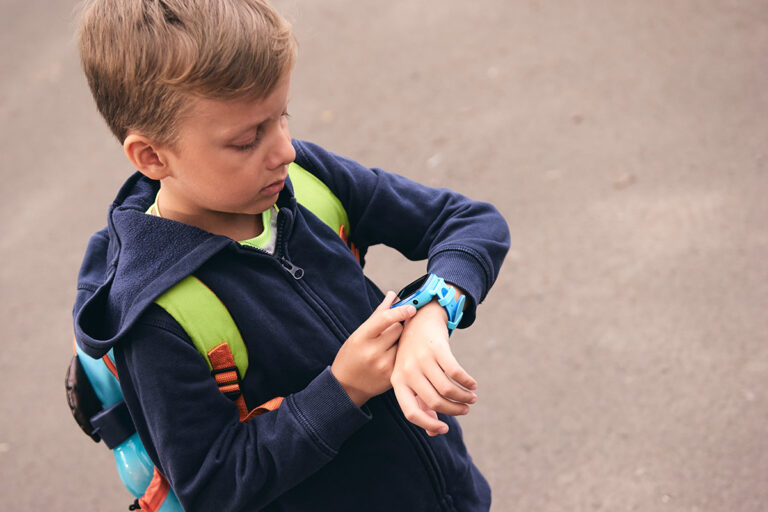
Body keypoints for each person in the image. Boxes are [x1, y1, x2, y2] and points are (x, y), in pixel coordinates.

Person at [72, 0, 510, 510]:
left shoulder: (303, 180)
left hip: (449, 492)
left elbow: (469, 221)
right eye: (246, 140)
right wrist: (341, 391)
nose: (284, 150)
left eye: (281, 117)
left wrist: (436, 309)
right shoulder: (157, 317)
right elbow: (213, 485)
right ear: (151, 156)